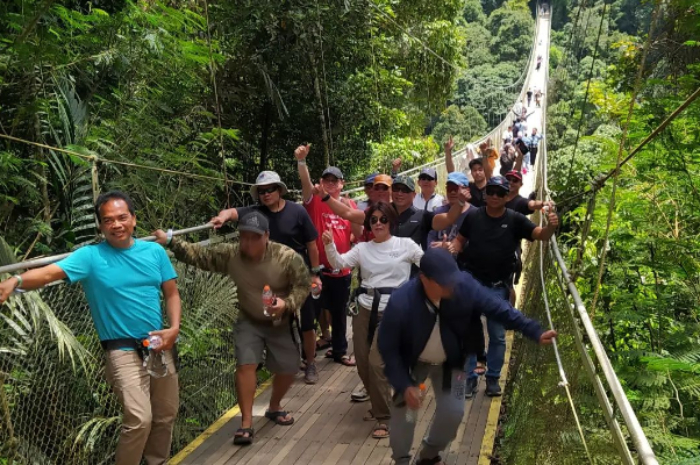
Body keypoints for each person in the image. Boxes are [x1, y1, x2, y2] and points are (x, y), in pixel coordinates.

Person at [0, 191, 181, 465]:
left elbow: (171, 293)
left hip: (158, 343)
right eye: (108, 220)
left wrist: (174, 328)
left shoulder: (154, 252)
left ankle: (157, 461)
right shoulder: (90, 257)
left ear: (133, 219)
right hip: (121, 348)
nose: (116, 225)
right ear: (100, 226)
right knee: (139, 419)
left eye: (122, 218)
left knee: (166, 413)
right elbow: (50, 272)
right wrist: (15, 281)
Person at [378, 248, 557, 465]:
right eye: (443, 282)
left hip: (453, 363)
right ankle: (402, 459)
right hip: (412, 367)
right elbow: (388, 348)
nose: (450, 286)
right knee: (406, 415)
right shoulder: (401, 303)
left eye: (452, 279)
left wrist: (534, 331)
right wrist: (405, 385)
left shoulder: (463, 285)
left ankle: (429, 454)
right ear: (424, 279)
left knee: (454, 413)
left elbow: (498, 308)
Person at [155, 211, 310, 445]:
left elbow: (303, 285)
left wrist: (286, 304)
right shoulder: (231, 254)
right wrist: (171, 240)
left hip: (280, 321)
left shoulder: (286, 257)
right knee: (245, 364)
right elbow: (200, 255)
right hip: (248, 319)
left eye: (254, 237)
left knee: (288, 368)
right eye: (243, 237)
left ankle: (274, 406)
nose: (247, 243)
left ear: (266, 236)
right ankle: (246, 423)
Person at [446, 176, 559, 397]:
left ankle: (492, 378)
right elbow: (460, 239)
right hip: (471, 281)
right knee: (467, 331)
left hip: (498, 285)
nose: (495, 196)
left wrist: (552, 226)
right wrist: (452, 249)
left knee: (497, 334)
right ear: (486, 194)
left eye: (500, 193)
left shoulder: (516, 219)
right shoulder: (473, 216)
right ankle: (469, 378)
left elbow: (541, 235)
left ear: (508, 196)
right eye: (491, 192)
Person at [210, 170, 323, 385]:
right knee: (275, 320)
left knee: (307, 322)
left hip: (299, 275)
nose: (266, 194)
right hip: (270, 279)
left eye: (270, 189)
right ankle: (283, 362)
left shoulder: (297, 211)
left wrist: (315, 273)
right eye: (261, 191)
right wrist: (222, 217)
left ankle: (310, 363)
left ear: (279, 190)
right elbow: (233, 212)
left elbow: (311, 243)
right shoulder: (256, 213)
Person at [324, 202, 424, 440]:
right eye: (373, 220)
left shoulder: (405, 245)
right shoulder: (362, 249)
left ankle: (384, 417)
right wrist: (329, 246)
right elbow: (339, 263)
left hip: (394, 311)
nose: (378, 223)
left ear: (391, 221)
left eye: (383, 219)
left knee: (376, 363)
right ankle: (381, 400)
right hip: (364, 310)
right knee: (362, 362)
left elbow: (428, 265)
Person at [295, 144, 357, 367]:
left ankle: (339, 350)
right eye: (326, 180)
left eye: (334, 181)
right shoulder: (314, 202)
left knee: (340, 313)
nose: (330, 184)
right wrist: (302, 161)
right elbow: (304, 182)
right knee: (311, 312)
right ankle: (307, 356)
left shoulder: (349, 205)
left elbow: (356, 233)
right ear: (320, 183)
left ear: (342, 184)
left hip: (341, 269)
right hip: (317, 270)